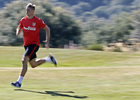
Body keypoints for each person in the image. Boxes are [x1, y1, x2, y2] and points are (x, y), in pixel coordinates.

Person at [11, 3, 57, 88]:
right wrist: (18, 31)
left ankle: (19, 82)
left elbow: (47, 29)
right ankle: (49, 59)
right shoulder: (23, 20)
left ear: (33, 11)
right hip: (26, 45)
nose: (26, 11)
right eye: (26, 10)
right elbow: (19, 26)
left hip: (34, 45)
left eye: (28, 10)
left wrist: (47, 41)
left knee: (24, 60)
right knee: (33, 64)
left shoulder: (38, 21)